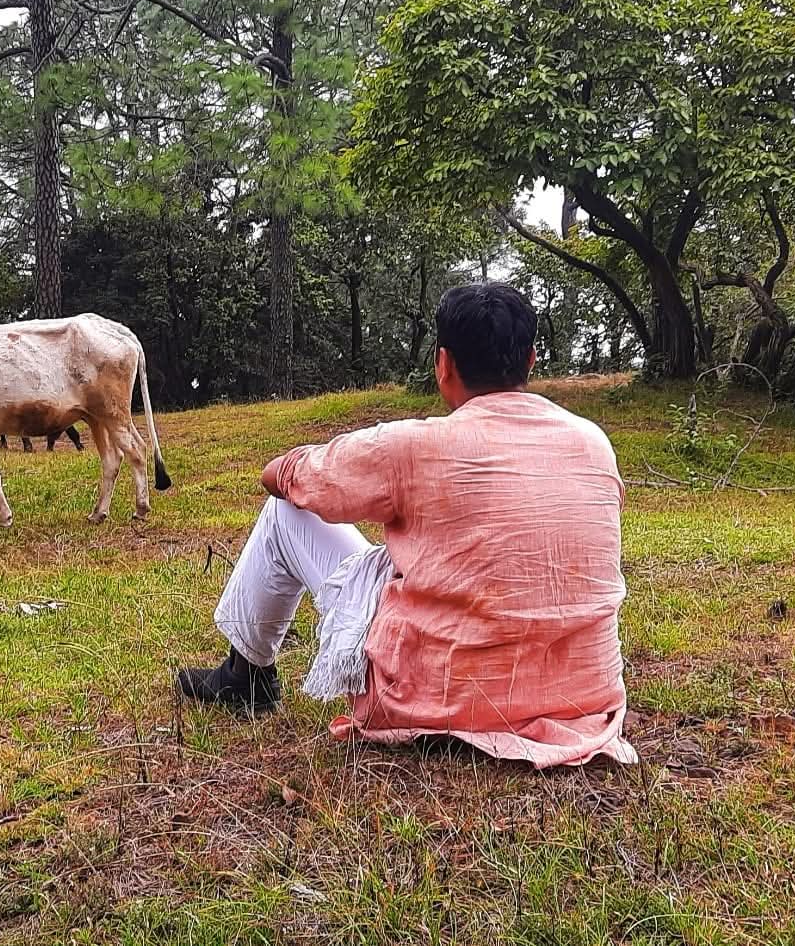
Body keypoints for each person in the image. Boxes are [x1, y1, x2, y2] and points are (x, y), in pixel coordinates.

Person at [177, 283, 636, 768]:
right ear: (531, 360)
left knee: (286, 511)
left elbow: (280, 477)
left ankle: (246, 675)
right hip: (582, 701)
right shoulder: (593, 443)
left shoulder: (412, 446)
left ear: (444, 364)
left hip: (433, 697)